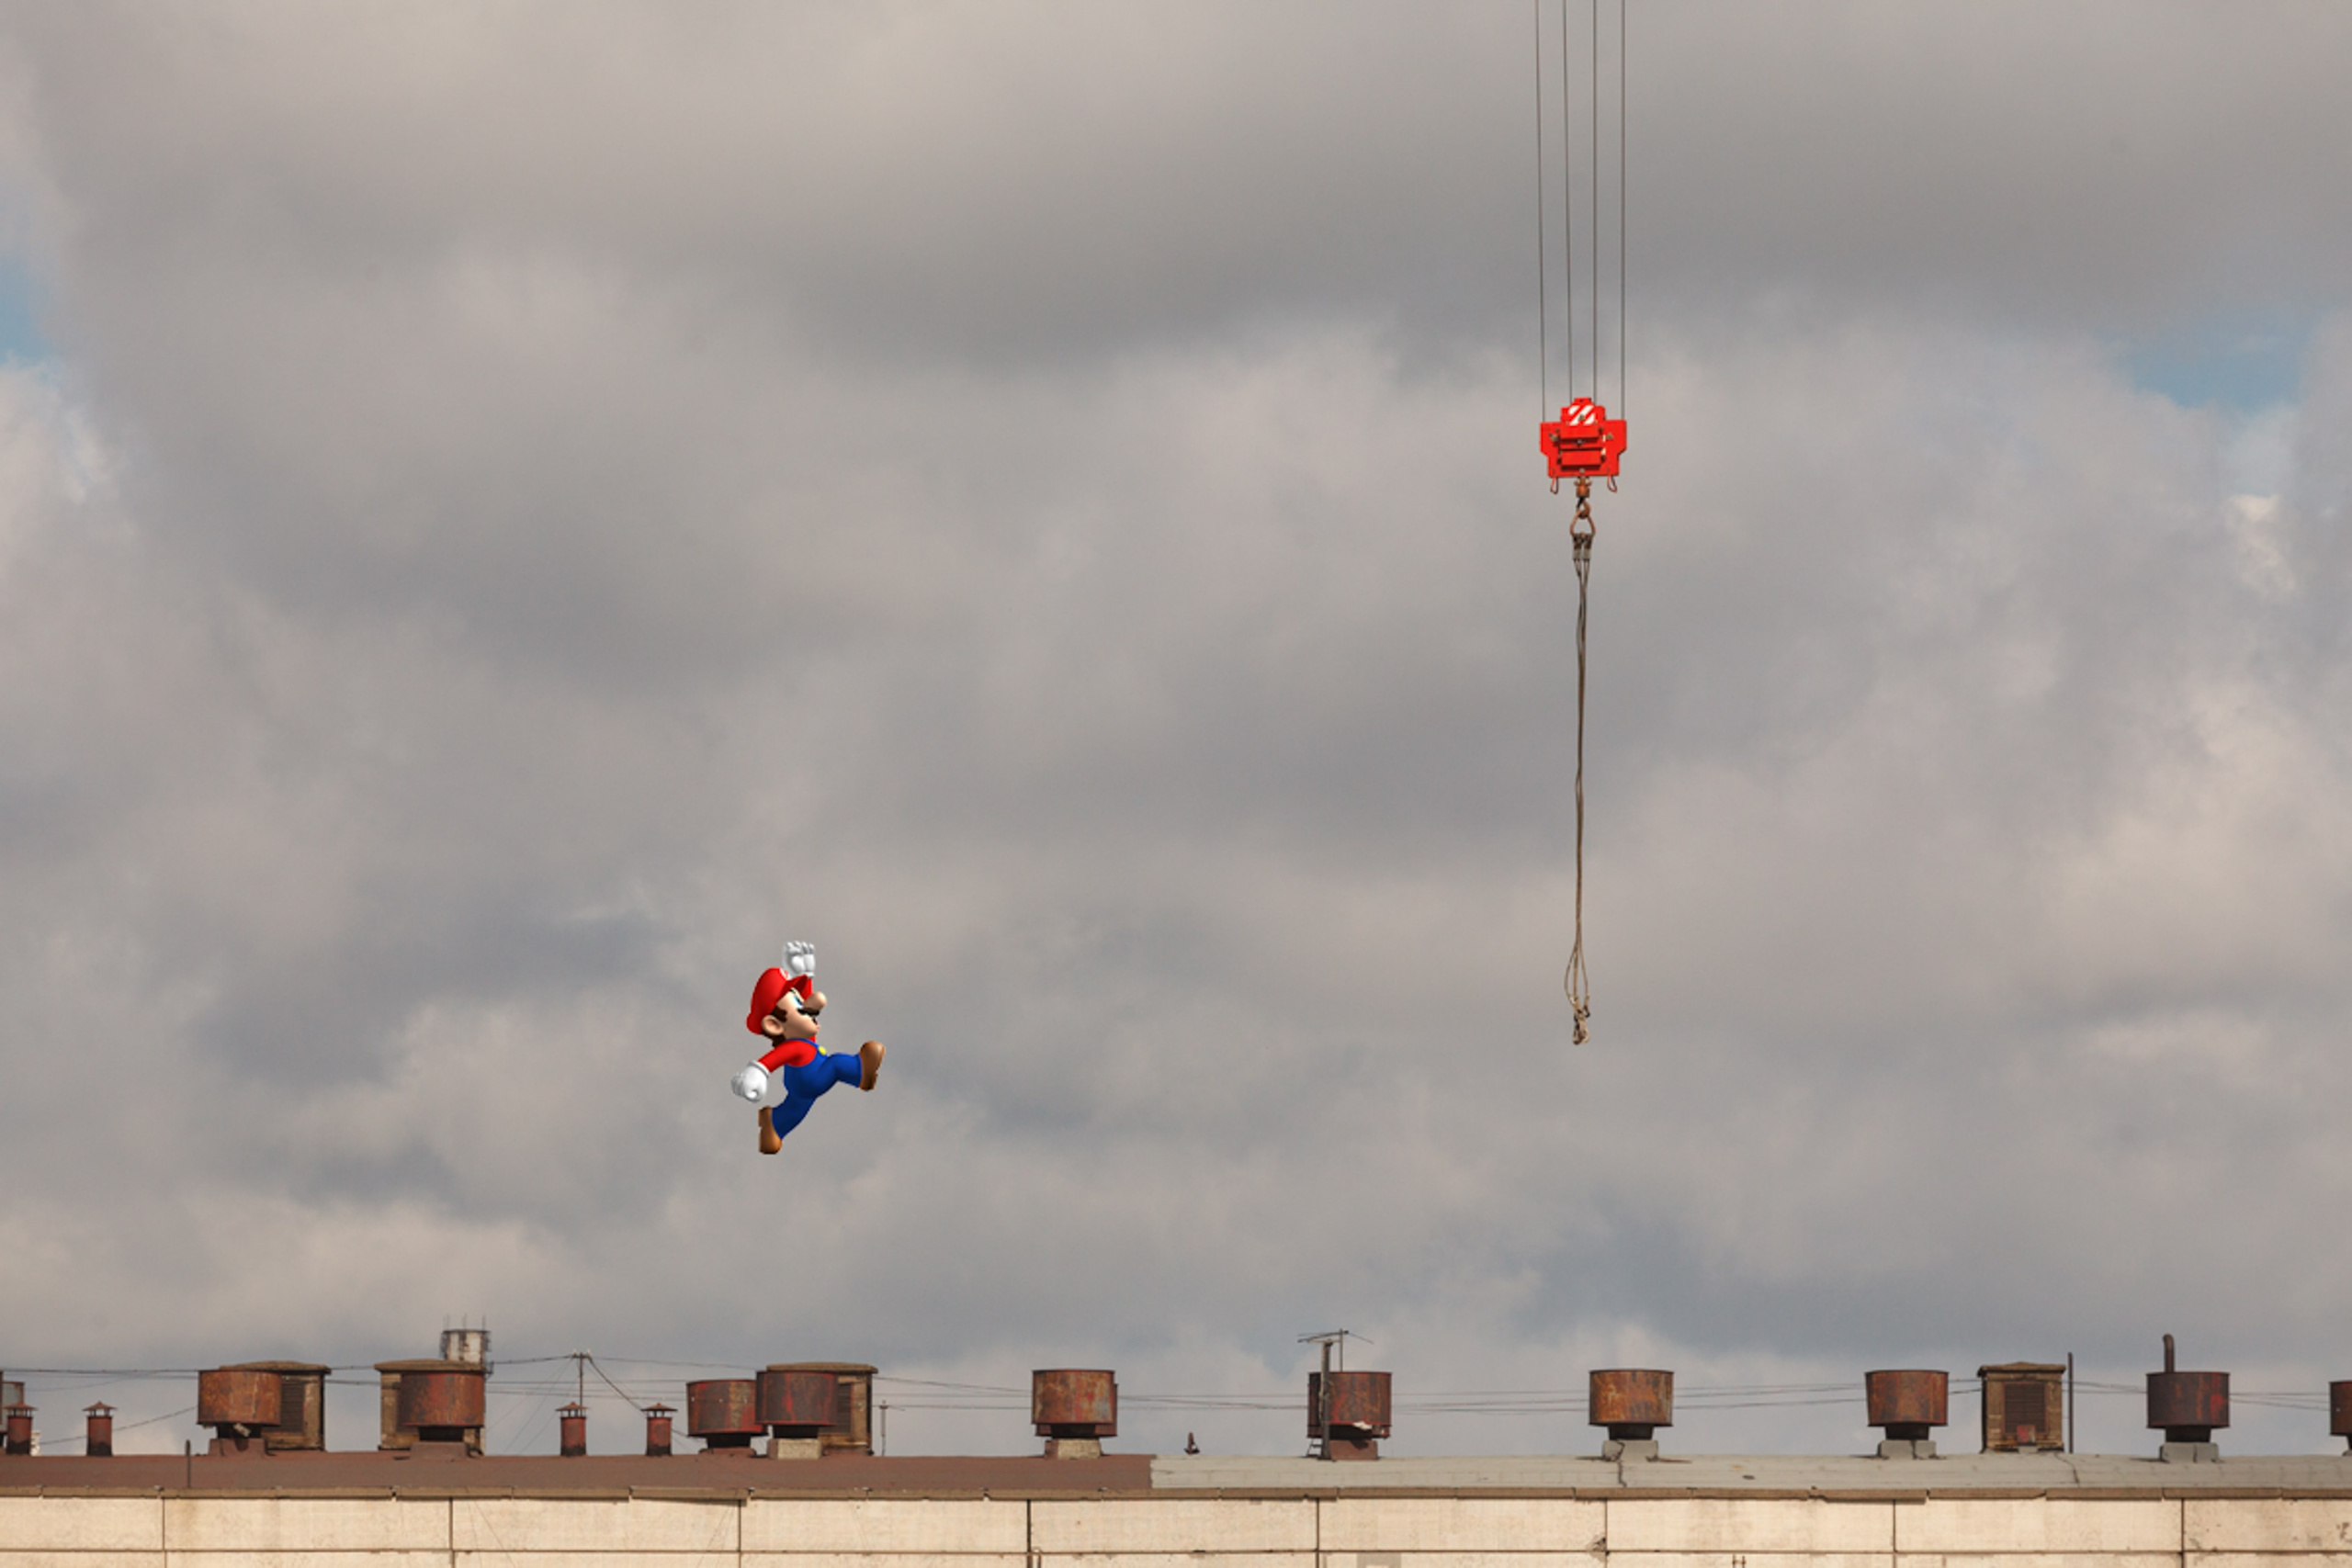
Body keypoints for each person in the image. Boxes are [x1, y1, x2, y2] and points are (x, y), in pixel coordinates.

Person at [729, 941, 883, 1154]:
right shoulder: (794, 1046)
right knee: (837, 1064)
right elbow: (774, 1058)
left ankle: (774, 1125)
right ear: (774, 1025)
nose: (812, 1005)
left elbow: (806, 1008)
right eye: (800, 1007)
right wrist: (758, 1071)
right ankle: (860, 1071)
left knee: (797, 1108)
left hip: (804, 1085)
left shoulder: (802, 1038)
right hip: (810, 1078)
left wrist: (804, 974)